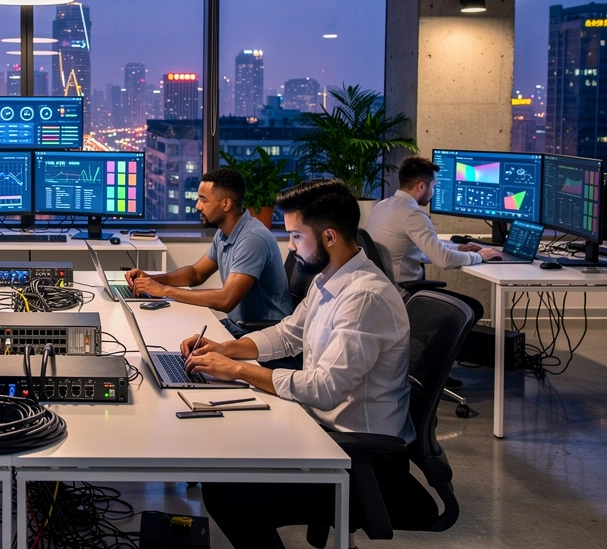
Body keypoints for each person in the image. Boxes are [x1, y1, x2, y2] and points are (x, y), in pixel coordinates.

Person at [182, 179, 415, 549]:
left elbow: (324, 389)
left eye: (295, 237)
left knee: (226, 495)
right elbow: (287, 334)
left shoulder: (364, 297)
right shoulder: (328, 280)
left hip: (357, 455)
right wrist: (228, 349)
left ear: (329, 237)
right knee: (224, 459)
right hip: (322, 432)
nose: (290, 246)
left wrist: (240, 371)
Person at [123, 167, 291, 339]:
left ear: (226, 204)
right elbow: (196, 274)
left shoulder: (253, 239)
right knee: (170, 335)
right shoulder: (225, 233)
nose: (197, 206)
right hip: (238, 328)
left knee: (183, 350)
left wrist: (165, 290)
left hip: (262, 335)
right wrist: (151, 280)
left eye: (204, 200)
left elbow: (226, 299)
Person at [366, 155, 501, 290]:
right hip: (404, 295)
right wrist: (479, 256)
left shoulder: (381, 206)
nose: (434, 192)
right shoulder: (413, 215)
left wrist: (458, 248)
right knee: (474, 307)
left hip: (386, 291)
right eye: (434, 186)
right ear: (421, 186)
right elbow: (444, 260)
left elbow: (422, 252)